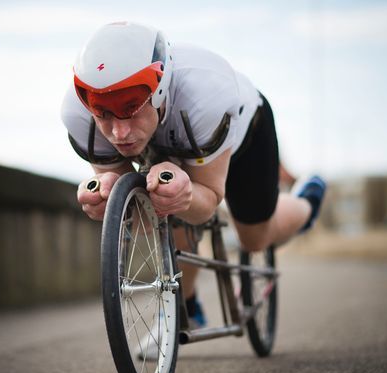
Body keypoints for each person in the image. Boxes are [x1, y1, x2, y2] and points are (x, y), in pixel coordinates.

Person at [61, 22, 326, 333]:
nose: (118, 133)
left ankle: (307, 200)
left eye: (131, 109)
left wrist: (187, 193)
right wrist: (112, 203)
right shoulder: (78, 117)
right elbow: (144, 221)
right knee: (164, 201)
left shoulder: (206, 93)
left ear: (159, 91)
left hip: (242, 135)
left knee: (254, 238)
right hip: (170, 136)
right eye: (103, 114)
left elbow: (207, 203)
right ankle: (188, 307)